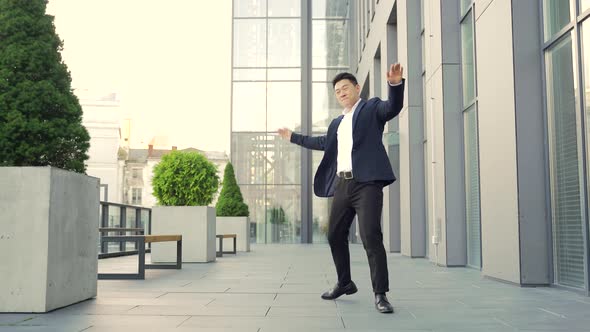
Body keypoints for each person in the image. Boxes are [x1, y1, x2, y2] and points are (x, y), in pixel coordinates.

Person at [278, 64, 404, 314]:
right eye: (337, 91)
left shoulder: (371, 108)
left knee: (371, 236)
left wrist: (396, 85)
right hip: (343, 184)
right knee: (334, 235)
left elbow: (393, 108)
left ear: (357, 88)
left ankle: (381, 294)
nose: (342, 92)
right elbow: (323, 143)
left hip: (367, 183)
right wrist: (293, 137)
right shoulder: (337, 122)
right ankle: (344, 282)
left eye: (345, 87)